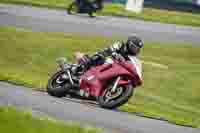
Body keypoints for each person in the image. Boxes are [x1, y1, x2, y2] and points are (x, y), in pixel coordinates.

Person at [72, 36, 144, 77]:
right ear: (129, 44)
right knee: (99, 57)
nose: (136, 51)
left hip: (114, 67)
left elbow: (131, 65)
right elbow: (110, 50)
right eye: (135, 48)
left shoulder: (132, 57)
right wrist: (113, 53)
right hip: (107, 59)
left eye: (138, 49)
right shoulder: (121, 45)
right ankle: (78, 68)